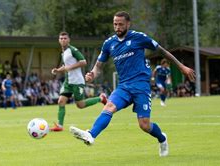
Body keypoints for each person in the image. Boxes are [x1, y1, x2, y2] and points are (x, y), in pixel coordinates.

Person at [69, 11, 195, 157]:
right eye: (115, 24)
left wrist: (181, 67)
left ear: (128, 24)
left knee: (144, 125)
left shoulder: (139, 38)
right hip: (124, 86)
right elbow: (98, 66)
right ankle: (91, 134)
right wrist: (92, 74)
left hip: (141, 86)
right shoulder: (109, 44)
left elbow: (163, 52)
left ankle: (162, 139)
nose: (117, 27)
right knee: (109, 106)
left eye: (121, 24)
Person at [49, 32, 107, 132]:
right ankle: (59, 126)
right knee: (61, 101)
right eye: (61, 38)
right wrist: (58, 70)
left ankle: (101, 98)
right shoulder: (64, 52)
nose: (63, 40)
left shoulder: (73, 50)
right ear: (59, 40)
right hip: (68, 82)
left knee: (80, 105)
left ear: (68, 40)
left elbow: (83, 61)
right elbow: (66, 65)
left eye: (65, 38)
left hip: (77, 82)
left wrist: (69, 68)